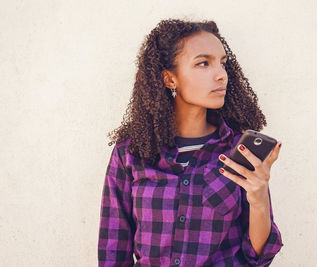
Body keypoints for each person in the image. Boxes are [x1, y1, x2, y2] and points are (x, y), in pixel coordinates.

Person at [98, 18, 284, 267]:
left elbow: (258, 257)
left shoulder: (240, 151)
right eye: (203, 63)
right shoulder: (131, 153)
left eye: (223, 63)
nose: (221, 75)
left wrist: (259, 200)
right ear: (169, 79)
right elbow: (113, 251)